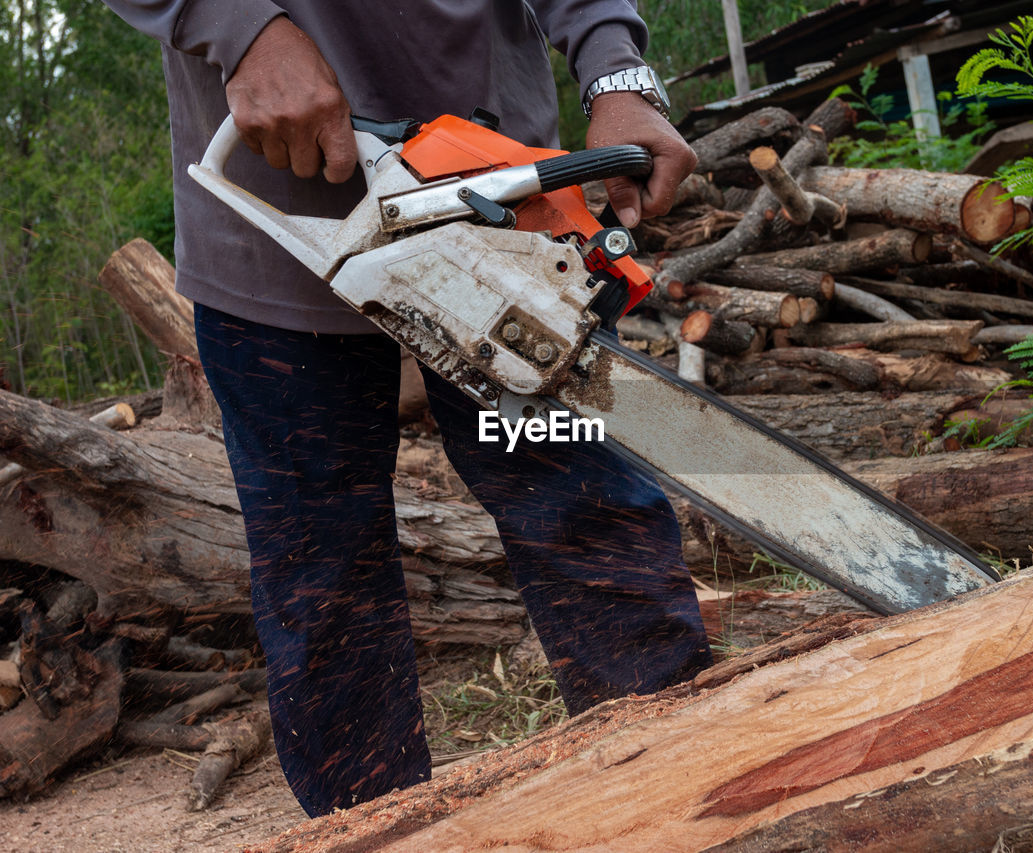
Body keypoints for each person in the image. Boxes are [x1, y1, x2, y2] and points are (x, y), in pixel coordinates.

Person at [102, 0, 712, 817]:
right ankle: (379, 828)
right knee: (324, 575)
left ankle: (688, 798)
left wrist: (615, 65)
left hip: (502, 219)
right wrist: (241, 26)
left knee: (587, 514)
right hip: (272, 224)